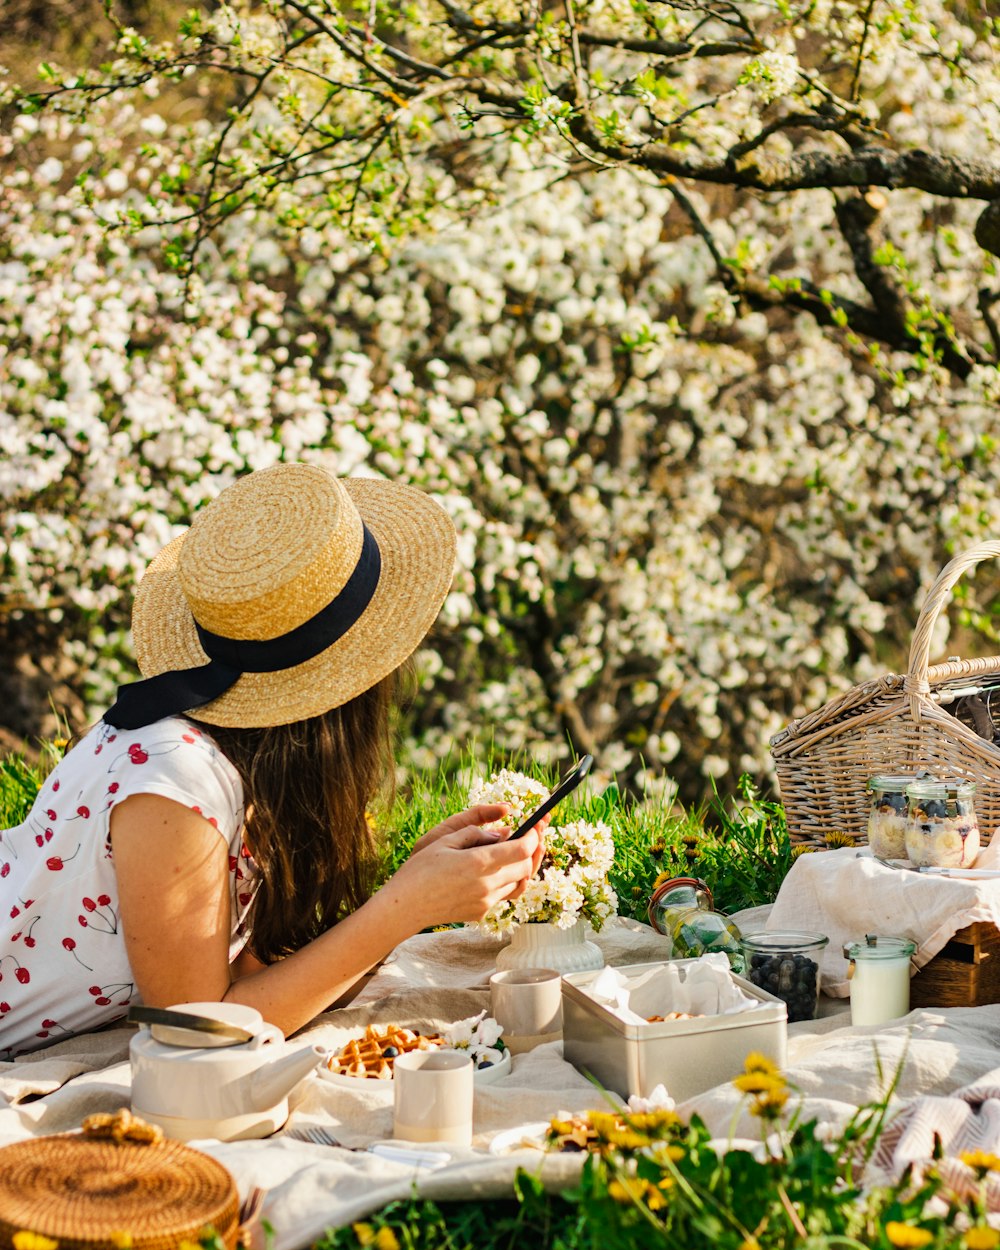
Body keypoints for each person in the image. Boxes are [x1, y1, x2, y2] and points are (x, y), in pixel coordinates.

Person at [0, 464, 543, 1057]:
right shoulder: (174, 778)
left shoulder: (239, 765)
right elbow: (197, 1029)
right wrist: (402, 907)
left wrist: (411, 894)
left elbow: (260, 988)